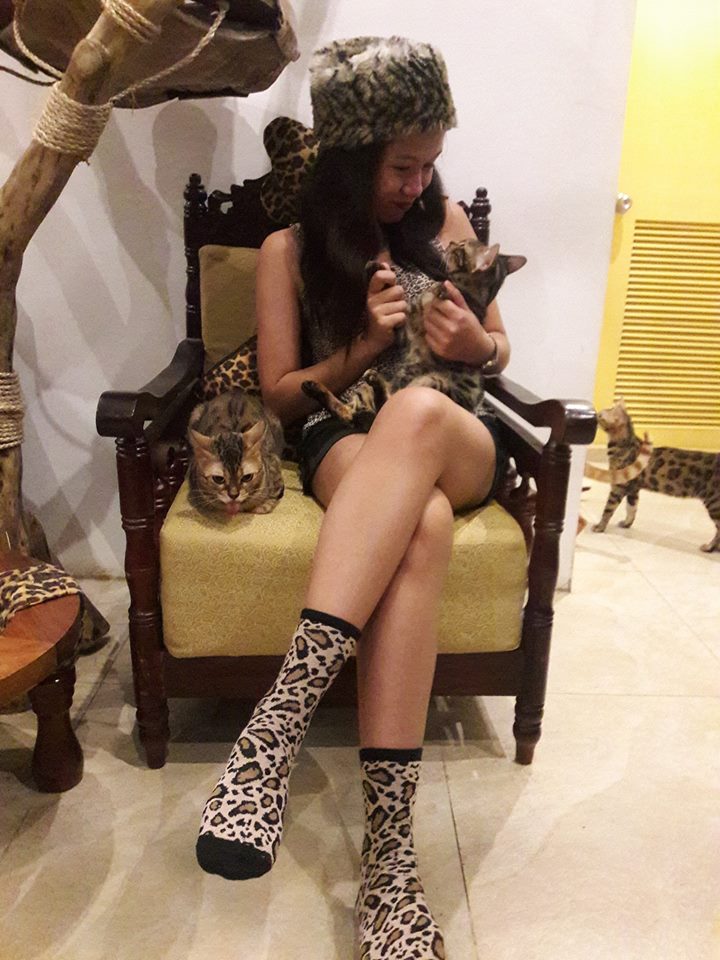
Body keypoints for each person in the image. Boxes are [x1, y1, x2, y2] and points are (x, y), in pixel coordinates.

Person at [196, 35, 511, 959]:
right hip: (343, 435)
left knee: (417, 413)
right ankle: (390, 869)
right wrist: (362, 351)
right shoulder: (288, 250)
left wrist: (475, 346)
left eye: (430, 164)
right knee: (422, 525)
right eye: (401, 166)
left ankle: (279, 721)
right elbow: (281, 396)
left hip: (451, 431)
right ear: (350, 156)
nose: (419, 185)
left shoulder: (448, 223)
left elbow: (502, 351)